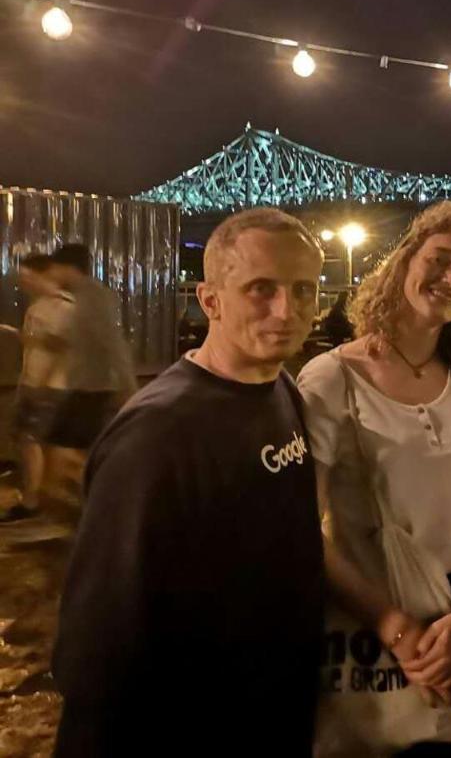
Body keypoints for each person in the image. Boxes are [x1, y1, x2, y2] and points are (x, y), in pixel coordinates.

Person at [53, 208, 326, 755]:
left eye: (303, 289)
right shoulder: (159, 432)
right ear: (210, 301)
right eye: (260, 289)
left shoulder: (282, 390)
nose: (285, 310)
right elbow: (98, 641)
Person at [298, 201, 451, 754]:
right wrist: (395, 627)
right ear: (405, 260)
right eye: (439, 260)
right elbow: (302, 530)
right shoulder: (331, 378)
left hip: (448, 616)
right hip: (366, 618)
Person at [39, 244, 137, 507]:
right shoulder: (82, 297)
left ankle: (102, 496)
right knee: (70, 445)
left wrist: (128, 387)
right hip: (83, 386)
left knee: (60, 442)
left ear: (70, 268)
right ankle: (92, 498)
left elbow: (112, 342)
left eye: (57, 269)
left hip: (93, 387)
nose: (54, 276)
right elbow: (83, 339)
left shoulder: (94, 297)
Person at [0, 254, 68, 522]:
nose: (24, 283)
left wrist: (43, 383)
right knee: (27, 440)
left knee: (32, 440)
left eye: (28, 277)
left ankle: (32, 501)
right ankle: (39, 496)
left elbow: (63, 346)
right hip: (32, 384)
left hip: (48, 386)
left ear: (44, 275)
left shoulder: (63, 307)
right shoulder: (38, 307)